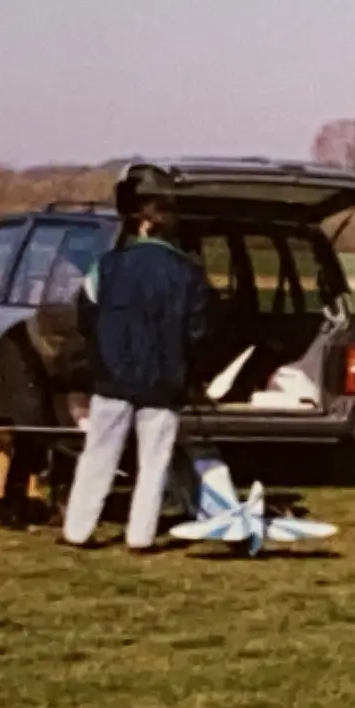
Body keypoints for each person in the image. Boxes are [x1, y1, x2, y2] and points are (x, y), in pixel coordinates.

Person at [65, 194, 211, 550]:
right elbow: (199, 331)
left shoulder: (108, 265)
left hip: (113, 377)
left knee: (98, 456)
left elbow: (85, 315)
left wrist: (102, 350)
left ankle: (78, 530)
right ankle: (141, 536)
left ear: (143, 226)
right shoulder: (190, 274)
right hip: (164, 382)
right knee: (155, 462)